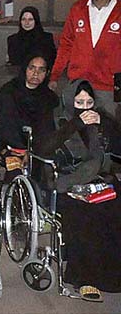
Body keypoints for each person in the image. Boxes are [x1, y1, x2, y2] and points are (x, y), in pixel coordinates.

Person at [35, 80, 121, 302]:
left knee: (114, 206)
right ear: (69, 100)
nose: (84, 107)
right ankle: (84, 277)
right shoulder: (55, 119)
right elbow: (43, 148)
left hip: (100, 180)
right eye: (79, 102)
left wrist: (104, 123)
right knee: (83, 213)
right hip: (67, 182)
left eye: (89, 102)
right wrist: (74, 124)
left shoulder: (102, 120)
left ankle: (113, 274)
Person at [50, 0, 121, 110]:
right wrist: (55, 75)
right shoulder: (78, 9)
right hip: (78, 84)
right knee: (75, 131)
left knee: (108, 131)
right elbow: (66, 45)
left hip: (109, 87)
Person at [0, 54, 59, 179]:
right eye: (32, 68)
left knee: (45, 175)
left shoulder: (49, 97)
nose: (36, 73)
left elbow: (48, 128)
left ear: (47, 73)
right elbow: (6, 126)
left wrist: (33, 150)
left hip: (38, 149)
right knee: (16, 174)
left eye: (41, 70)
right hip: (11, 146)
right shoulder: (9, 92)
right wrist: (22, 150)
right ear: (25, 69)